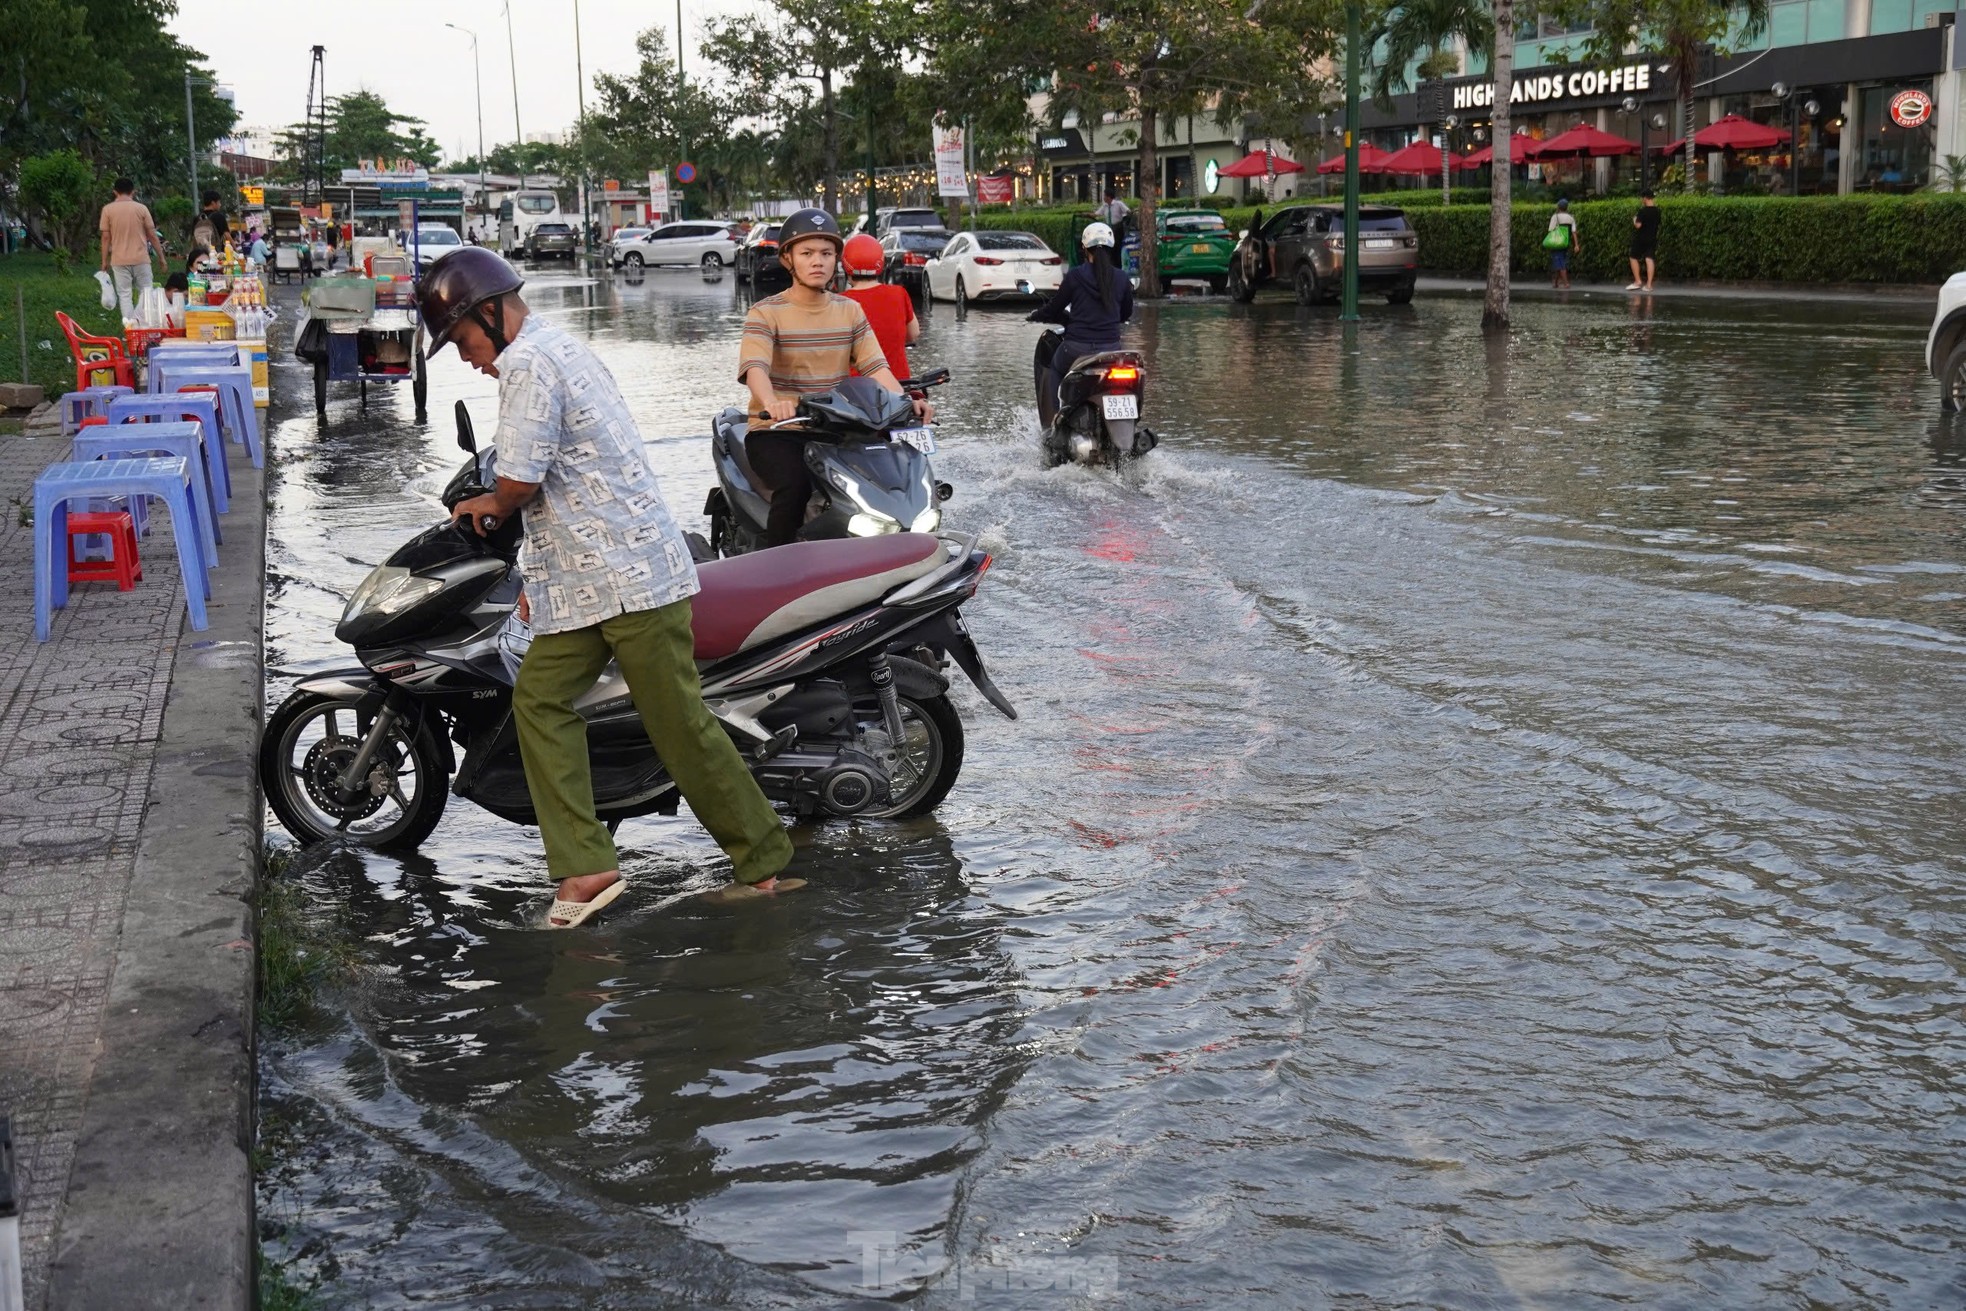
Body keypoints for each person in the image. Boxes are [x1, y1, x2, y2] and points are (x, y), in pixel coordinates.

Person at [425, 248, 800, 924]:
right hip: (588, 582)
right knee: (539, 700)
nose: (465, 355)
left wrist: (487, 505)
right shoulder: (556, 347)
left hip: (628, 581)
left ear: (489, 313)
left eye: (461, 339)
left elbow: (522, 479)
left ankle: (763, 858)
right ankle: (587, 865)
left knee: (677, 723)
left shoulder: (528, 363)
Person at [738, 207, 932, 547]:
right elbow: (756, 367)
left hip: (839, 429)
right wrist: (772, 403)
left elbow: (876, 368)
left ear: (836, 261)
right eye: (807, 253)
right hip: (780, 430)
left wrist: (906, 404)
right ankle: (775, 569)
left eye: (826, 254)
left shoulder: (849, 309)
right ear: (788, 259)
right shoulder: (765, 312)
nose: (818, 262)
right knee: (795, 486)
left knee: (897, 478)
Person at [1028, 220, 1134, 428]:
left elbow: (1055, 308)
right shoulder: (1122, 278)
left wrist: (1036, 315)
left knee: (1055, 368)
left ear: (1085, 249)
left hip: (1076, 348)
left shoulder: (1075, 276)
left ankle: (1056, 421)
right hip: (1111, 350)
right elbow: (1126, 314)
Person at [839, 232, 919, 381]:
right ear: (881, 263)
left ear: (845, 266)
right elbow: (913, 334)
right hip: (899, 385)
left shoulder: (839, 302)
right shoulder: (899, 294)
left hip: (857, 390)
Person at [98, 178, 165, 319]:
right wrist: (161, 258)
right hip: (141, 258)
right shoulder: (141, 209)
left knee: (124, 295)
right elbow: (152, 235)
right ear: (133, 192)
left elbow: (105, 237)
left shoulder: (107, 210)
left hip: (119, 260)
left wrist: (104, 260)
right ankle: (145, 326)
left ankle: (129, 328)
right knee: (146, 293)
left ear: (115, 192)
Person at [1627, 190, 1660, 292]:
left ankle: (1638, 281)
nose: (1642, 200)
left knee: (1633, 257)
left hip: (1641, 238)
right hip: (1652, 237)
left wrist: (1634, 220)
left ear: (1645, 198)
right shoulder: (1657, 211)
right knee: (1649, 259)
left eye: (1642, 198)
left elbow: (1638, 225)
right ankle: (1649, 285)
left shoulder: (1643, 211)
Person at [1547, 197, 1579, 290]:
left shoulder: (1555, 216)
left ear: (1558, 207)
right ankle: (1556, 283)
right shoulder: (1571, 218)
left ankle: (1566, 283)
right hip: (1565, 243)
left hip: (1556, 243)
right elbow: (1574, 232)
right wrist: (1576, 245)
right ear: (1566, 207)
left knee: (1560, 263)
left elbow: (1550, 230)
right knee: (1560, 261)